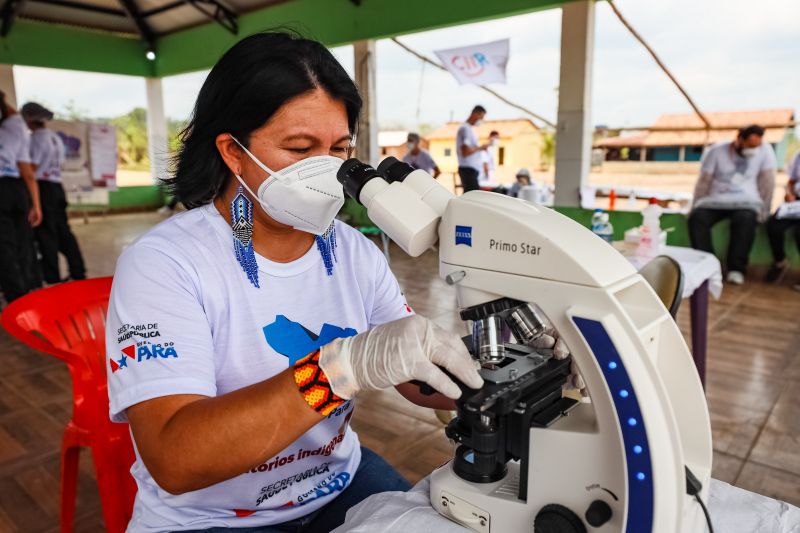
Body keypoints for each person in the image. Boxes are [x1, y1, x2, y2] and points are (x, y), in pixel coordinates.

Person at [106, 32, 483, 533]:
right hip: (212, 516)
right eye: (300, 148)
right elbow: (176, 460)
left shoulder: (351, 252)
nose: (325, 169)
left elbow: (414, 376)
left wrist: (493, 375)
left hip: (336, 481)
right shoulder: (166, 264)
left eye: (339, 148)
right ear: (233, 152)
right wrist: (337, 370)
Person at [688, 125, 776, 285]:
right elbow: (704, 180)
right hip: (716, 201)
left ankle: (736, 268)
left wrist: (765, 209)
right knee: (697, 218)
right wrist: (695, 205)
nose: (753, 149)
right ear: (739, 139)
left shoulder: (765, 151)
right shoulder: (717, 151)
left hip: (746, 202)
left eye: (757, 145)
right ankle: (708, 264)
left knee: (746, 219)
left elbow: (767, 182)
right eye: (750, 144)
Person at [22, 102, 86, 284]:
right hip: (57, 187)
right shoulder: (54, 137)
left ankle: (52, 278)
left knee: (46, 236)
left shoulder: (36, 139)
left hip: (42, 188)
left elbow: (31, 168)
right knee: (64, 232)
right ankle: (78, 272)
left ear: (29, 119)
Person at [0, 92, 42, 303]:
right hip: (15, 188)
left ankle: (14, 296)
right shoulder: (16, 127)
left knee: (4, 246)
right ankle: (26, 292)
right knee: (23, 243)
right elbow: (28, 173)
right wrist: (36, 205)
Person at [764, 149, 800, 287]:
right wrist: (789, 194)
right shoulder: (798, 155)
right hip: (794, 203)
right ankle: (780, 262)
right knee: (774, 225)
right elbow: (791, 181)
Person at [455, 105, 490, 192]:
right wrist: (480, 148)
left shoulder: (470, 129)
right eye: (481, 117)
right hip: (468, 169)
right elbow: (465, 151)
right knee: (472, 197)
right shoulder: (465, 129)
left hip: (471, 169)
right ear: (475, 114)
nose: (481, 120)